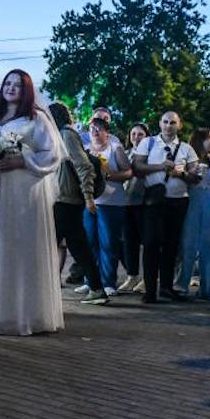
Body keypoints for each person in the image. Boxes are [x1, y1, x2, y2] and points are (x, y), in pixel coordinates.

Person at [0, 70, 64, 335]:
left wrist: (23, 160)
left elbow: (53, 154)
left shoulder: (37, 118)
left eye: (18, 85)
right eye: (8, 83)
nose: (11, 88)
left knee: (19, 247)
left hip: (22, 191)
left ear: (27, 90)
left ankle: (23, 314)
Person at [132, 111, 199, 303]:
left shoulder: (186, 148)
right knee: (150, 244)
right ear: (160, 123)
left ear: (179, 125)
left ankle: (167, 287)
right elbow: (137, 167)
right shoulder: (149, 143)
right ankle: (150, 290)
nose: (169, 126)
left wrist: (182, 174)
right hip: (153, 201)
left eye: (173, 123)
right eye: (166, 122)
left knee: (171, 245)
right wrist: (160, 166)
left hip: (178, 201)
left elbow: (195, 177)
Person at [49, 102, 109, 305]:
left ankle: (41, 292)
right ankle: (97, 288)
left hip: (66, 199)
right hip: (67, 199)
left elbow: (84, 166)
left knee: (49, 244)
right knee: (78, 245)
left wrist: (88, 196)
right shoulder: (63, 134)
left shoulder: (66, 135)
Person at [175, 128, 210, 300]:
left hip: (208, 201)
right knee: (186, 244)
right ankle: (181, 285)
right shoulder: (185, 155)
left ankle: (208, 288)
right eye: (209, 138)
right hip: (189, 200)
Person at [86, 117, 132, 296]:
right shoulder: (85, 149)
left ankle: (108, 282)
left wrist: (109, 176)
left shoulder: (115, 148)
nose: (94, 132)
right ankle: (91, 281)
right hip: (89, 201)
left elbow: (128, 172)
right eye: (91, 129)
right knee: (90, 242)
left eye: (98, 129)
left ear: (107, 132)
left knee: (108, 243)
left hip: (111, 202)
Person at [118, 123, 150, 294]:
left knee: (146, 242)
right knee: (129, 241)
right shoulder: (126, 153)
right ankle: (132, 276)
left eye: (140, 134)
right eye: (133, 134)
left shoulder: (151, 154)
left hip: (144, 202)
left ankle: (147, 278)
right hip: (126, 201)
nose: (136, 137)